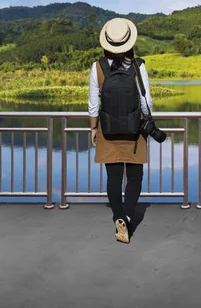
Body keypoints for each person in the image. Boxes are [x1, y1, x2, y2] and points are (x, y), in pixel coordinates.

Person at [88, 17, 153, 244]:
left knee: (113, 178)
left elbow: (93, 104)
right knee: (134, 178)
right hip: (135, 130)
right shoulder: (138, 66)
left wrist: (93, 128)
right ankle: (127, 216)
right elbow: (146, 102)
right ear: (130, 43)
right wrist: (147, 120)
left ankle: (118, 217)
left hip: (108, 128)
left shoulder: (97, 67)